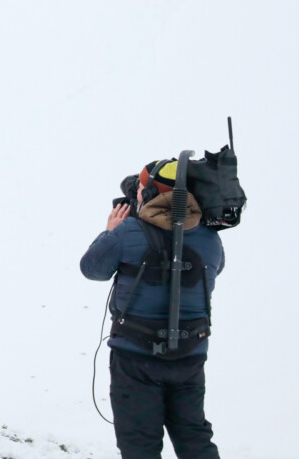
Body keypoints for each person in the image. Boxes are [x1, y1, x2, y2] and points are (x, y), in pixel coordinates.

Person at [80, 160, 225, 459]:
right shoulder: (210, 238)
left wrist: (110, 231)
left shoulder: (127, 231)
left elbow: (92, 268)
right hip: (190, 354)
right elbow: (215, 270)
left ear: (154, 193)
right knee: (194, 436)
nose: (138, 193)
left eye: (143, 188)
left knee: (139, 445)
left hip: (135, 356)